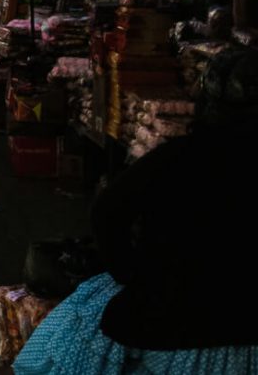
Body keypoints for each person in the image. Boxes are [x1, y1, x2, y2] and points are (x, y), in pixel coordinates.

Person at [14, 107, 258, 374]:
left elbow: (107, 211)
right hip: (238, 326)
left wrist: (128, 271)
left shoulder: (181, 153)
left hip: (164, 313)